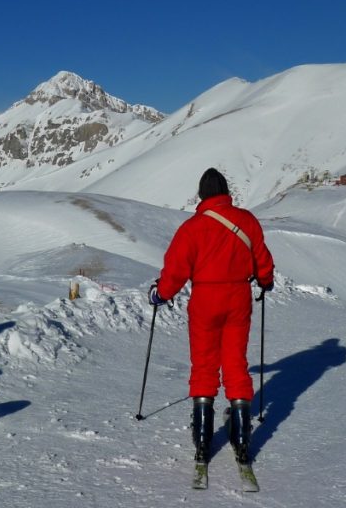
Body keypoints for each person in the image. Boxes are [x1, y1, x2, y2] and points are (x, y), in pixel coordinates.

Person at [150, 168, 275, 467]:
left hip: (205, 299)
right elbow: (262, 259)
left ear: (202, 194)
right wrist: (265, 281)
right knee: (235, 362)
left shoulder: (191, 228)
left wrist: (161, 294)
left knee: (205, 363)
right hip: (238, 298)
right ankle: (242, 437)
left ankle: (203, 437)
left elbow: (176, 270)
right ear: (225, 191)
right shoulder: (247, 221)